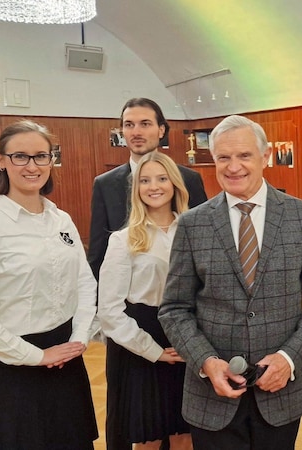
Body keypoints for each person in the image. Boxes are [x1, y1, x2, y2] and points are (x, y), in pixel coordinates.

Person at [158, 115, 302, 450]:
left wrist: (289, 358)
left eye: (244, 156)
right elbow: (174, 309)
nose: (233, 166)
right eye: (224, 157)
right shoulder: (192, 225)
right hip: (213, 394)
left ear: (265, 156)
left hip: (281, 392)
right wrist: (207, 363)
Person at [0, 120, 98, 449]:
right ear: (1, 160)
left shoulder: (62, 220)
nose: (32, 166)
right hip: (13, 371)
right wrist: (35, 356)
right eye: (20, 156)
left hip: (67, 364)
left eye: (41, 156)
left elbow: (85, 285)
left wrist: (79, 339)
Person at [97, 151, 193, 449]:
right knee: (149, 438)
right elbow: (110, 311)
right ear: (136, 189)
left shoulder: (195, 231)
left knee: (185, 435)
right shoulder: (124, 239)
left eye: (162, 178)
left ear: (175, 184)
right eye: (145, 180)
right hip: (143, 344)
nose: (154, 186)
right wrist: (153, 351)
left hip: (186, 340)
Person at [88, 97, 208, 280]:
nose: (136, 132)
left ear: (161, 130)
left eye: (145, 124)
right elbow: (98, 254)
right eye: (129, 125)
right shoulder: (105, 185)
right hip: (127, 300)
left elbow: (204, 244)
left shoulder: (188, 180)